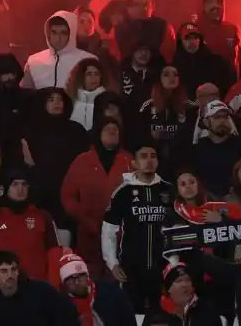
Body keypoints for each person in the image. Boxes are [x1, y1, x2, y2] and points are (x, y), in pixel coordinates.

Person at [101, 142, 174, 312]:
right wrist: (112, 263)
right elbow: (109, 229)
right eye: (143, 156)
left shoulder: (169, 190)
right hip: (131, 269)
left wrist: (174, 262)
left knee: (163, 315)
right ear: (133, 163)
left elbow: (177, 227)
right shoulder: (123, 192)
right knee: (131, 315)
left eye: (153, 156)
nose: (149, 161)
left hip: (163, 268)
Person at [61, 118, 133, 275]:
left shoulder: (129, 160)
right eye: (108, 129)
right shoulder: (82, 161)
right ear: (98, 133)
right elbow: (68, 196)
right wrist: (85, 218)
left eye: (116, 130)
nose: (113, 132)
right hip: (89, 234)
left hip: (122, 236)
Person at [0, 168, 62, 289]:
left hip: (37, 289)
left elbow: (54, 253)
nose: (20, 189)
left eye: (24, 184)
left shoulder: (43, 217)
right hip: (3, 291)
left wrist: (54, 289)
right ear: (6, 188)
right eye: (15, 184)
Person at [0, 251, 78, 326]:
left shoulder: (42, 292)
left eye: (13, 269)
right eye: (4, 271)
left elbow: (67, 316)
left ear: (18, 271)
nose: (10, 275)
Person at [58, 251, 134, 326]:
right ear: (64, 283)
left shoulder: (112, 294)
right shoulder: (62, 306)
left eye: (80, 276)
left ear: (87, 276)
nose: (77, 282)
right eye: (71, 279)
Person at [22, 11, 93, 89]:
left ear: (72, 33)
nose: (58, 38)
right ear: (48, 33)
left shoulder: (87, 61)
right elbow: (25, 94)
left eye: (63, 33)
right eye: (54, 32)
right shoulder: (34, 62)